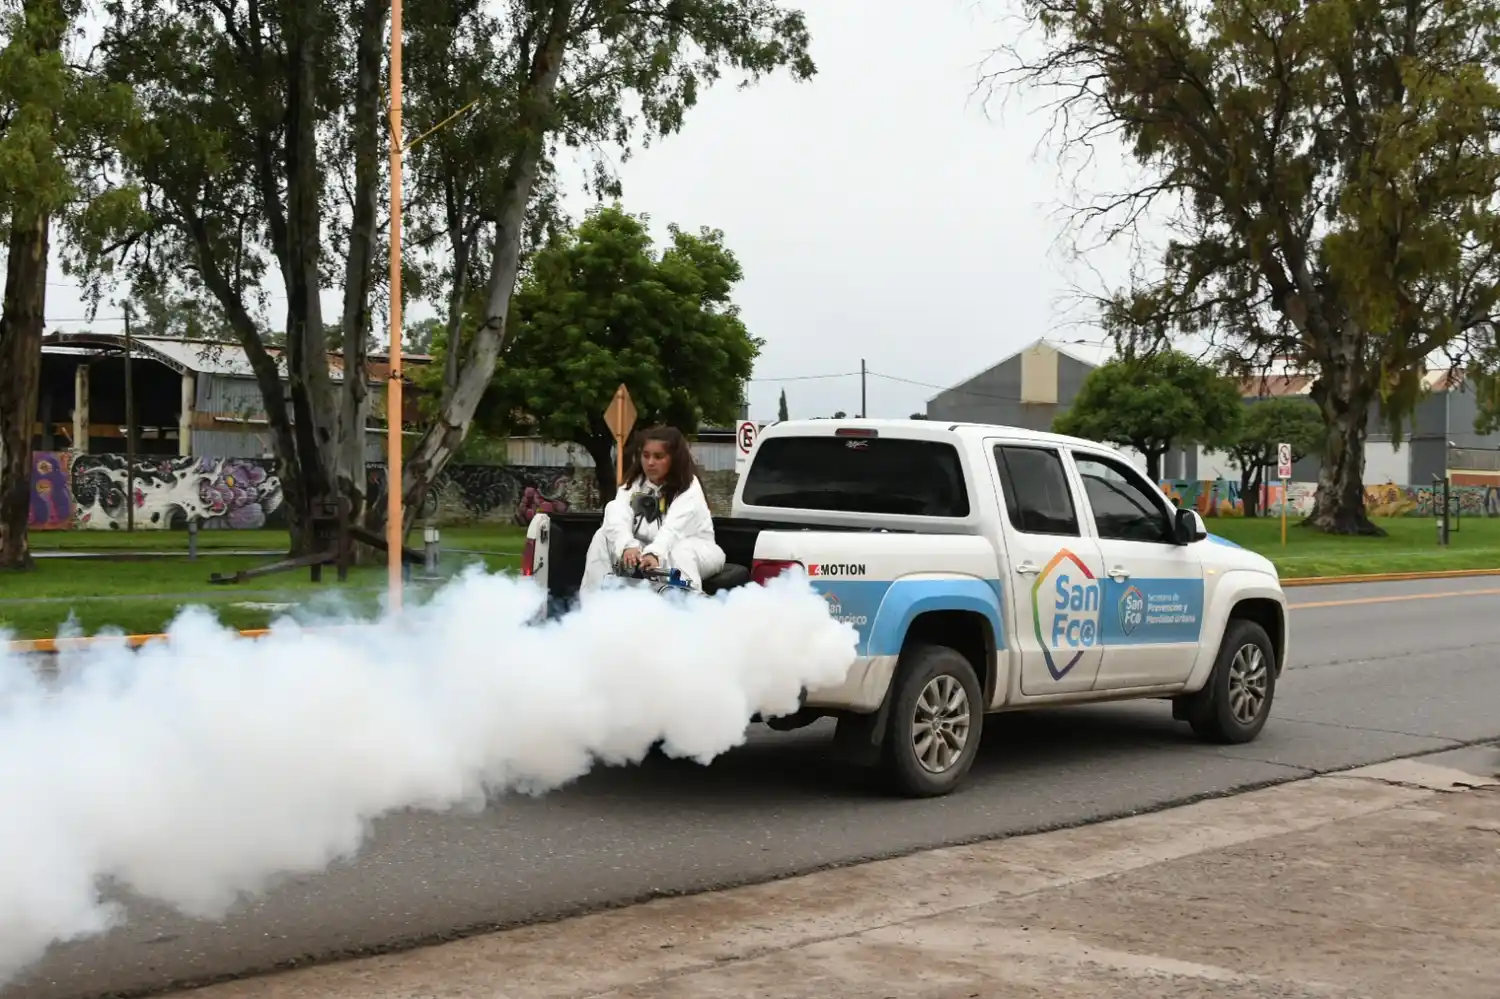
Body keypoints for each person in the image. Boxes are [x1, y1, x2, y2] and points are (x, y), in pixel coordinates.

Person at [579, 425, 727, 593]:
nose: (650, 463)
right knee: (601, 537)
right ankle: (593, 607)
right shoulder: (633, 484)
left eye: (658, 457)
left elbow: (673, 530)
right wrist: (627, 546)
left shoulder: (689, 488)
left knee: (680, 552)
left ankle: (689, 607)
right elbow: (617, 514)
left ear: (674, 458)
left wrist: (655, 554)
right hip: (646, 549)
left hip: (696, 549)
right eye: (646, 455)